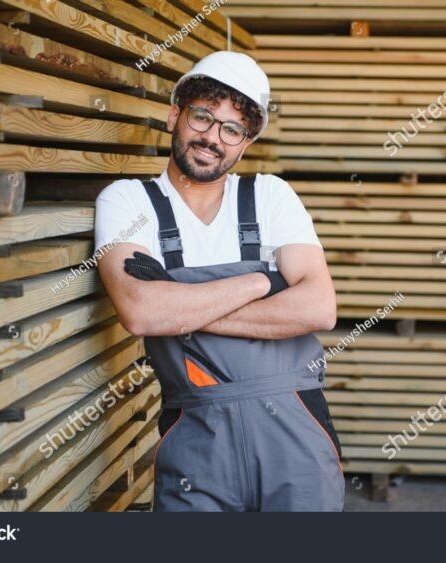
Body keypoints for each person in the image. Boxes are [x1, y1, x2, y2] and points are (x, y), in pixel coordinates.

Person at [94, 51, 344, 511]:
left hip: (296, 433)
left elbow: (318, 308)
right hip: (196, 436)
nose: (212, 138)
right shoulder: (128, 202)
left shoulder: (270, 195)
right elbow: (142, 311)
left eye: (231, 129)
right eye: (203, 118)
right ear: (175, 115)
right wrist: (263, 282)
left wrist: (181, 305)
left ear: (244, 143)